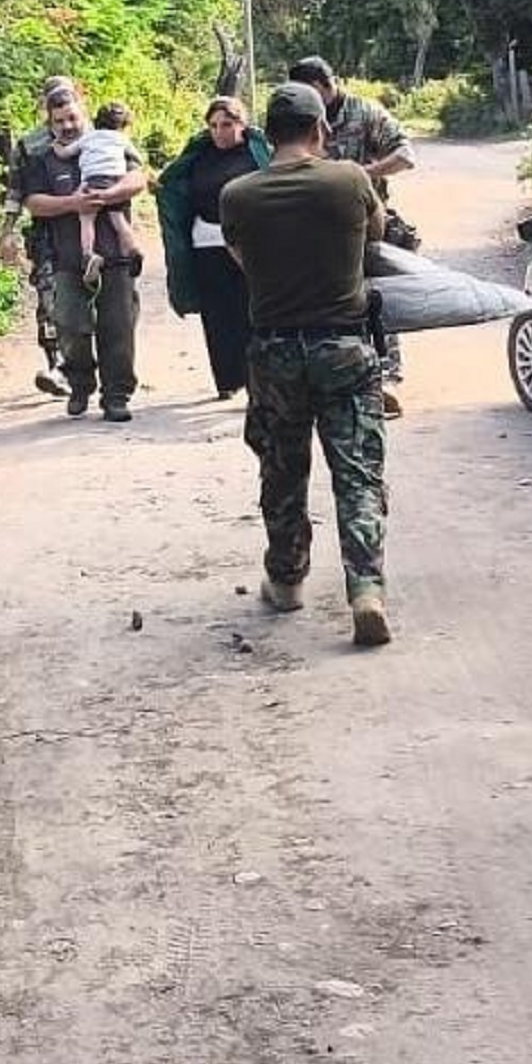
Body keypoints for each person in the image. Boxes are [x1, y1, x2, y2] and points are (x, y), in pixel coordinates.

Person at [219, 81, 392, 647]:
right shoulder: (349, 180)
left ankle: (287, 579)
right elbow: (378, 237)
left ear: (267, 137)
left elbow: (241, 259)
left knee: (282, 471)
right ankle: (365, 589)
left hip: (273, 353)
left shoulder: (238, 194)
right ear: (321, 130)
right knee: (357, 473)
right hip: (343, 349)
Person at [286, 57, 416, 418]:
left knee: (375, 298)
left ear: (326, 86)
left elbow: (406, 154)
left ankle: (385, 377)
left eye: (311, 93)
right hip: (311, 225)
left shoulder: (365, 112)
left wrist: (364, 173)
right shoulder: (298, 117)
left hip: (363, 221)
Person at [21, 84, 149, 423]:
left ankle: (117, 396)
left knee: (118, 327)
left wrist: (111, 195)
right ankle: (80, 384)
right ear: (49, 122)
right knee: (71, 326)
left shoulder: (109, 141)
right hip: (67, 258)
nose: (67, 125)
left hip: (115, 255)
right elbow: (33, 202)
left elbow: (139, 178)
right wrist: (72, 203)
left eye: (72, 117)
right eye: (59, 120)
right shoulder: (43, 159)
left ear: (84, 113)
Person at [155, 95, 271, 398]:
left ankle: (256, 379)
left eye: (227, 124)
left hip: (251, 244)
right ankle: (227, 380)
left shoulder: (258, 155)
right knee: (217, 315)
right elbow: (175, 187)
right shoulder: (198, 155)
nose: (220, 131)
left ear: (242, 125)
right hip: (206, 241)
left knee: (252, 311)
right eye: (214, 125)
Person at [0, 78, 78, 399]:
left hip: (85, 231)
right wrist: (7, 231)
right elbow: (16, 190)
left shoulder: (90, 136)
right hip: (46, 231)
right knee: (48, 299)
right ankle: (56, 365)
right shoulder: (30, 145)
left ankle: (86, 366)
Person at [53, 99, 141, 289]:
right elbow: (137, 157)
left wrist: (56, 147)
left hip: (93, 182)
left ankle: (89, 254)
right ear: (123, 125)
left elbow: (66, 153)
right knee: (119, 221)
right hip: (115, 182)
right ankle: (134, 250)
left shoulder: (89, 137)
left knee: (86, 219)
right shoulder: (121, 139)